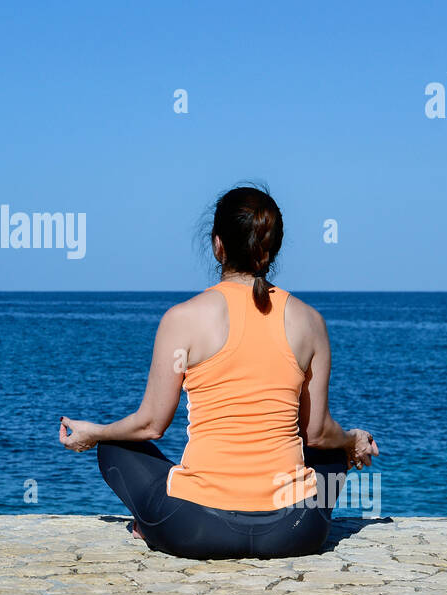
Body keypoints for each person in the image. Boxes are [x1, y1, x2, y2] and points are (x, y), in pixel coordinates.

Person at [58, 185, 378, 559]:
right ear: (272, 248)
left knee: (114, 446)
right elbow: (318, 433)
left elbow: (150, 426)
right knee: (332, 450)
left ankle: (150, 525)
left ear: (217, 245)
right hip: (294, 529)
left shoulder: (182, 319)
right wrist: (353, 439)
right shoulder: (310, 321)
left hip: (197, 528)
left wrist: (94, 433)